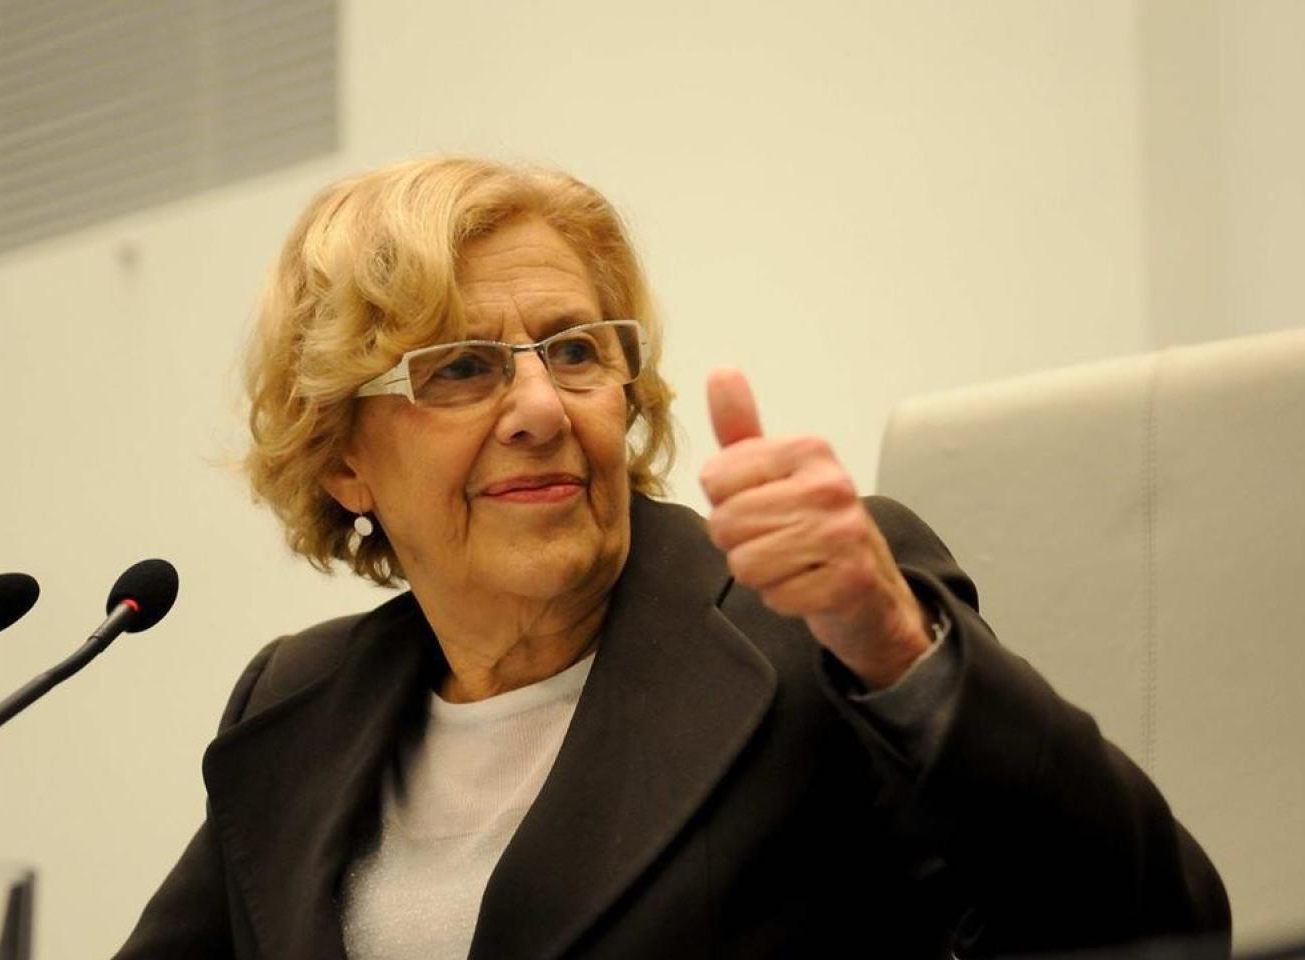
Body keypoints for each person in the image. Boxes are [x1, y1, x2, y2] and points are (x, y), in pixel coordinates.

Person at [114, 156, 1230, 960]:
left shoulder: (815, 621)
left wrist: (897, 649)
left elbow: (1152, 924)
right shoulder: (299, 705)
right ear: (343, 460)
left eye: (574, 350)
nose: (541, 408)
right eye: (460, 369)